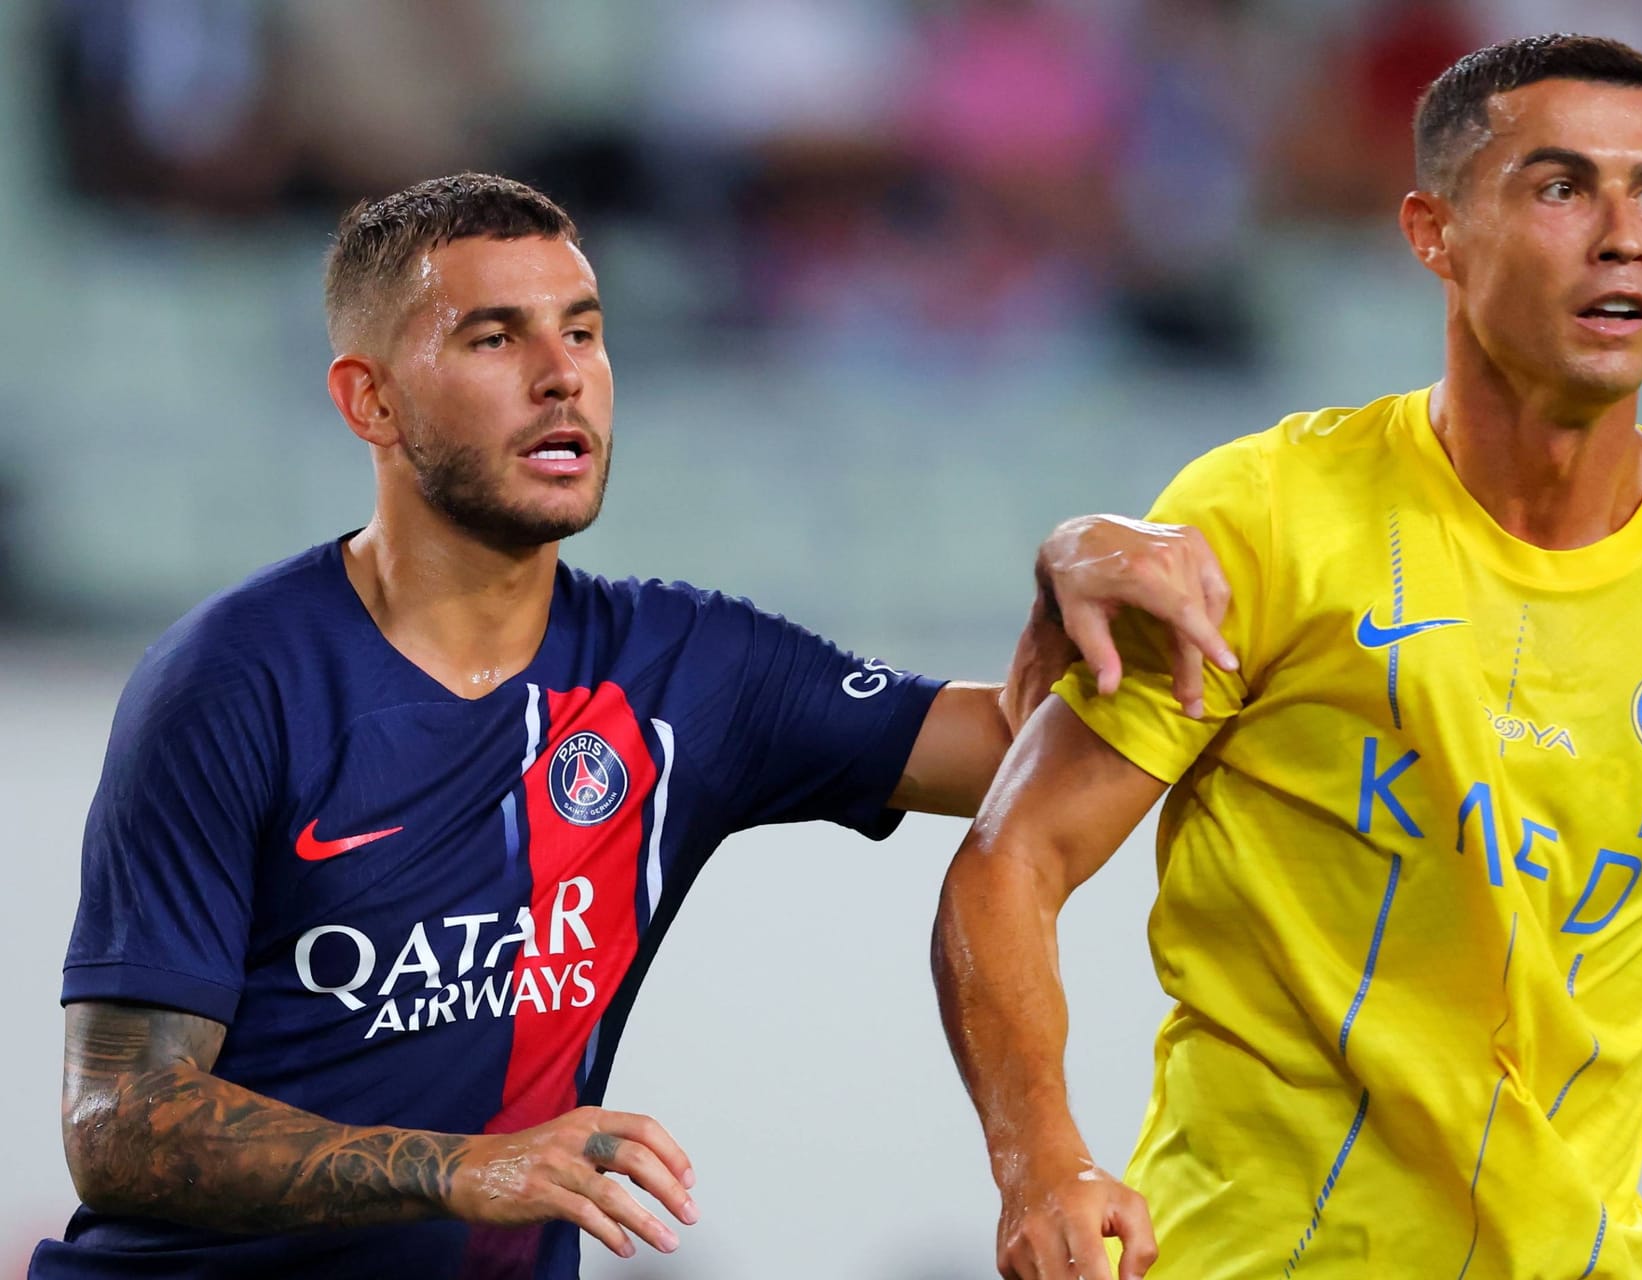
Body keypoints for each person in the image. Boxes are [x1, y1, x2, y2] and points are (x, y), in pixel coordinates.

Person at [34, 173, 1234, 1280]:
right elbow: (118, 1123)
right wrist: (461, 1164)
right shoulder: (235, 681)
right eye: (495, 336)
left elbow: (1018, 751)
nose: (562, 374)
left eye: (586, 329)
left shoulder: (684, 667)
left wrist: (1072, 559)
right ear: (372, 401)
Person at [934, 34, 1642, 1280]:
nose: (1624, 235)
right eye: (1562, 188)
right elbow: (1012, 860)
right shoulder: (1266, 521)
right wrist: (1044, 1161)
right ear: (1432, 233)